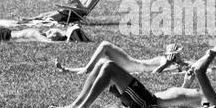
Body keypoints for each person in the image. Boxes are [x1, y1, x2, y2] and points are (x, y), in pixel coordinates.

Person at [54, 47, 216, 108]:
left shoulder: (215, 102)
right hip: (147, 99)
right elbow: (179, 100)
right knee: (103, 64)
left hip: (147, 102)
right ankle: (76, 104)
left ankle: (82, 106)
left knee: (109, 66)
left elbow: (200, 70)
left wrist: (210, 55)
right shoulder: (205, 100)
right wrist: (186, 83)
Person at [55, 40, 189, 78]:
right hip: (133, 64)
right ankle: (67, 70)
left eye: (178, 54)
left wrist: (168, 64)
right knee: (102, 62)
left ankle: (84, 71)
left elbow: (154, 74)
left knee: (106, 45)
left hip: (133, 66)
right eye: (177, 53)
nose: (179, 56)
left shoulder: (170, 64)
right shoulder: (167, 60)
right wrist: (169, 63)